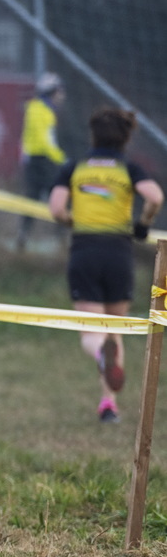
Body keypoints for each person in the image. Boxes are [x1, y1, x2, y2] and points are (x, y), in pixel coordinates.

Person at [48, 107, 163, 423]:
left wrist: (72, 220)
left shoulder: (74, 168)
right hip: (118, 253)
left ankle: (100, 352)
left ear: (93, 136)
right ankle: (108, 405)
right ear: (125, 138)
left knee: (91, 330)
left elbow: (56, 208)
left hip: (85, 251)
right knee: (115, 329)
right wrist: (143, 224)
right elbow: (154, 197)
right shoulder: (129, 168)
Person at [18, 72, 67, 251]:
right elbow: (44, 142)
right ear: (52, 92)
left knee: (35, 198)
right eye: (60, 91)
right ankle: (60, 238)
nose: (62, 95)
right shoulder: (41, 110)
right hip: (41, 161)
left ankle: (26, 236)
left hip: (38, 161)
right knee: (53, 197)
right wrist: (61, 159)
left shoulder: (42, 110)